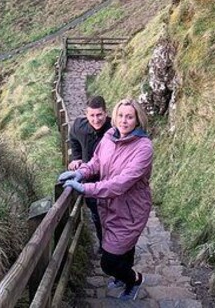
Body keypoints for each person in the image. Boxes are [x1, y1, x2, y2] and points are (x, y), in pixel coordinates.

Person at [59, 98, 152, 301]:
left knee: (108, 262)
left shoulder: (143, 148)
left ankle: (135, 280)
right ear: (115, 116)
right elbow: (96, 162)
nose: (124, 121)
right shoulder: (110, 135)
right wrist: (80, 173)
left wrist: (85, 188)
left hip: (130, 210)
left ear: (137, 119)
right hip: (108, 206)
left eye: (129, 117)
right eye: (120, 116)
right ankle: (123, 276)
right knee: (123, 250)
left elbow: (120, 183)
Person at [67, 96, 112, 248]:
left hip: (111, 180)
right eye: (92, 115)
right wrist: (77, 157)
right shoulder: (79, 126)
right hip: (90, 180)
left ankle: (117, 248)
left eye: (99, 115)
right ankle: (103, 245)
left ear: (105, 113)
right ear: (86, 115)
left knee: (113, 215)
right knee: (96, 215)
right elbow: (72, 137)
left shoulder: (115, 129)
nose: (96, 119)